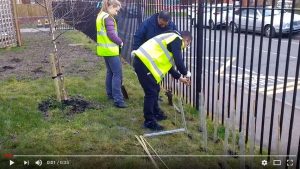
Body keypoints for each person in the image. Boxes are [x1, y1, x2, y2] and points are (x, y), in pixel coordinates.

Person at [132, 31, 192, 130]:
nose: (185, 47)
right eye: (187, 44)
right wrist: (186, 73)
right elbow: (178, 61)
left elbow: (169, 67)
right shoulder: (177, 40)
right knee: (151, 92)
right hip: (143, 63)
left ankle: (156, 113)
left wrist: (180, 78)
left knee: (155, 89)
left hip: (145, 63)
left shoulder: (171, 41)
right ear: (186, 40)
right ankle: (149, 121)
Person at [133, 10, 177, 119]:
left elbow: (175, 41)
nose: (162, 25)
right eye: (161, 23)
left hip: (159, 61)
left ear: (169, 21)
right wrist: (136, 54)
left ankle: (155, 111)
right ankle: (149, 119)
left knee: (155, 88)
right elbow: (138, 37)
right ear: (158, 18)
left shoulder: (171, 26)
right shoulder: (148, 23)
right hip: (146, 58)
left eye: (165, 24)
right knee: (151, 91)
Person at [96, 0, 127, 108]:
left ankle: (110, 94)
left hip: (104, 50)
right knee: (117, 74)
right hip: (111, 51)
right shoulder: (108, 18)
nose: (116, 13)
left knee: (110, 72)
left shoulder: (100, 15)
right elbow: (111, 35)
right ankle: (118, 100)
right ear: (111, 7)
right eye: (116, 10)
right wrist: (120, 42)